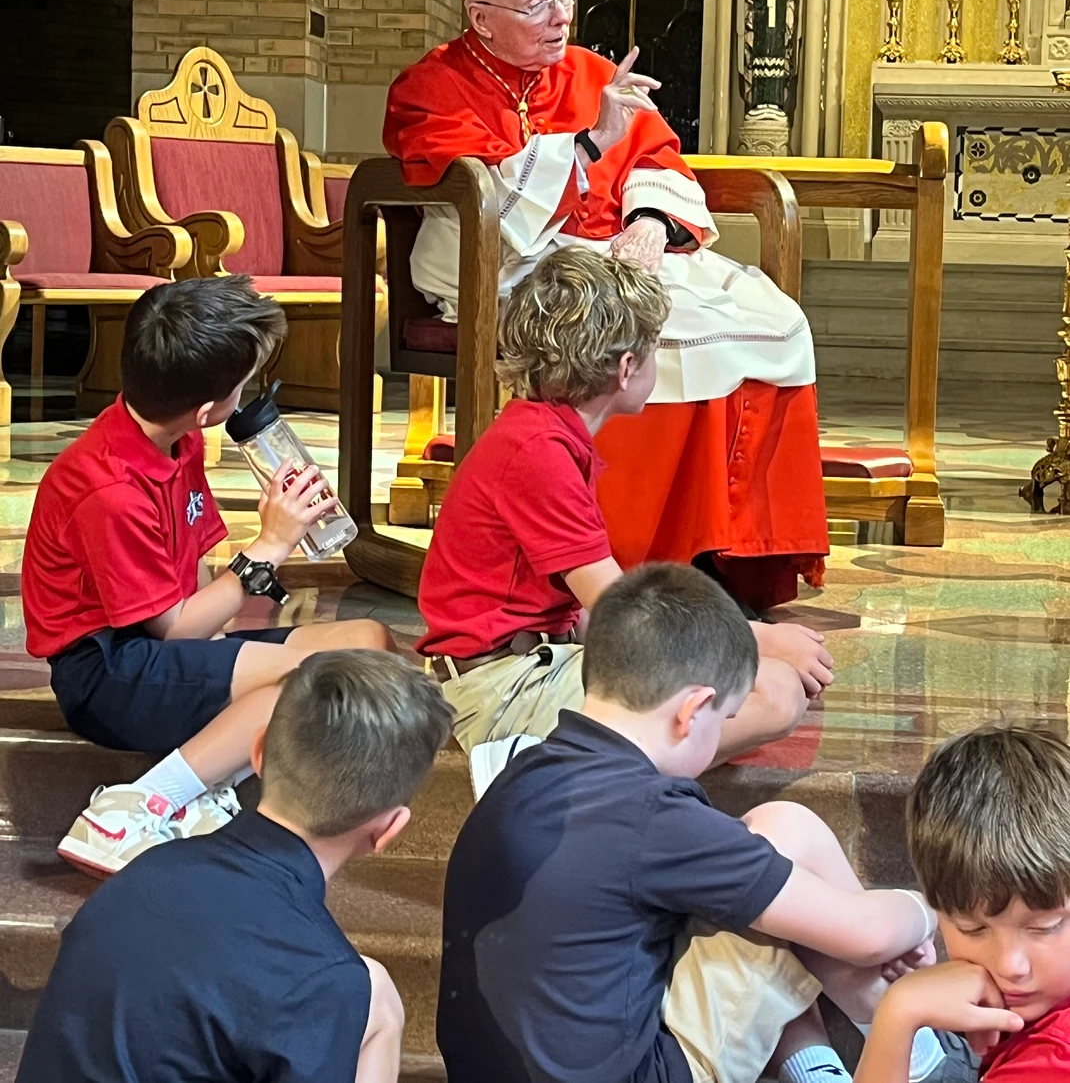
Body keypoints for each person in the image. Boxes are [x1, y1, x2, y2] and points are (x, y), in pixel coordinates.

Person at [384, 0, 828, 612]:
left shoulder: (592, 72)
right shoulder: (432, 87)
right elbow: (484, 202)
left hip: (612, 255)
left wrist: (650, 223)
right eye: (537, 4)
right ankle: (618, 556)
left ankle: (723, 555)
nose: (562, 15)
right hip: (506, 269)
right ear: (481, 18)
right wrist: (590, 142)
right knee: (647, 331)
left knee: (772, 320)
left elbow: (657, 157)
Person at [437, 563, 965, 1083]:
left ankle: (852, 1063)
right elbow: (868, 935)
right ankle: (926, 1062)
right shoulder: (652, 816)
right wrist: (920, 913)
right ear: (692, 711)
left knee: (759, 892)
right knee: (788, 834)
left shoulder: (520, 772)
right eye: (726, 718)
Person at [418, 246, 833, 786]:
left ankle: (612, 767)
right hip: (502, 687)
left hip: (538, 659)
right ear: (626, 368)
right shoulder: (537, 453)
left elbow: (584, 612)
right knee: (774, 694)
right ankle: (597, 781)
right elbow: (618, 606)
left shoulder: (545, 435)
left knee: (744, 682)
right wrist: (754, 638)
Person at [21, 274, 393, 876]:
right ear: (206, 410)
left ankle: (214, 775)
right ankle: (139, 804)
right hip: (105, 674)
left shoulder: (179, 442)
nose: (245, 397)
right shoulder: (107, 489)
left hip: (162, 643)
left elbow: (191, 574)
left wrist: (222, 655)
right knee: (320, 681)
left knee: (368, 642)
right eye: (242, 386)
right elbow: (172, 632)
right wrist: (270, 545)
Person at [17, 650, 453, 1083]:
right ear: (388, 830)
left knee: (374, 990)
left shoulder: (146, 868)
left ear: (258, 753)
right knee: (364, 991)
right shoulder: (322, 975)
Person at [857, 724, 1070, 1082]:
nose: (1010, 966)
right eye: (973, 929)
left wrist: (897, 1014)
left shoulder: (1050, 1060)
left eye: (1043, 927)